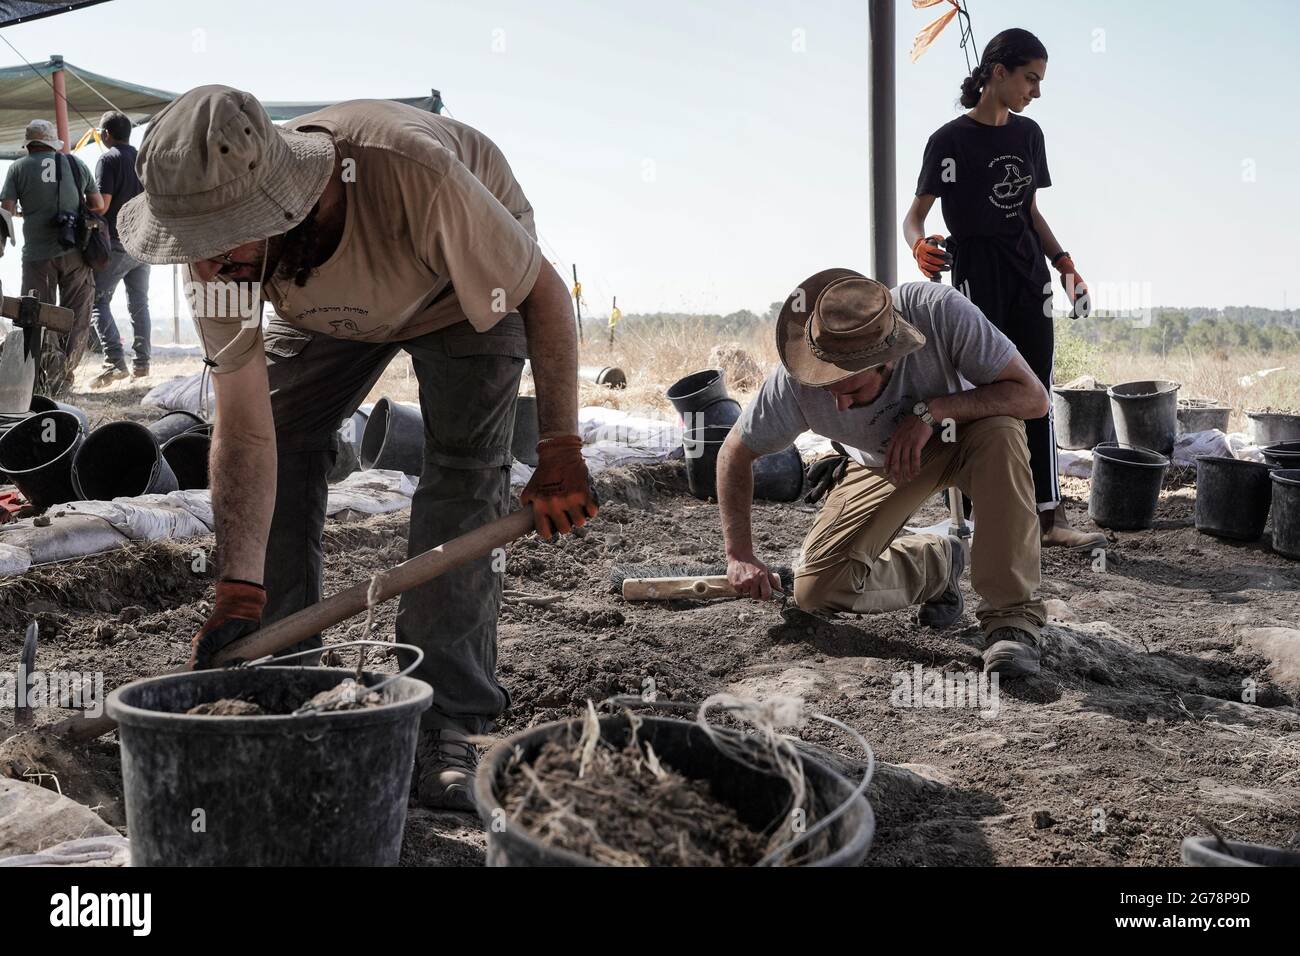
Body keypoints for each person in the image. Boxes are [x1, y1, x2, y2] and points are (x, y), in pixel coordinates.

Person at [118, 86, 598, 810]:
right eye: (197, 249)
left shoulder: (410, 173)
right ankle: (280, 679)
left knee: (464, 470)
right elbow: (245, 428)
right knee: (282, 435)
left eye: (227, 240)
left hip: (460, 290)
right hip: (323, 309)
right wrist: (238, 586)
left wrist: (561, 445)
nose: (209, 269)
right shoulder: (222, 265)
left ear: (284, 205)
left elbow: (545, 298)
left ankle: (446, 717)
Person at [720, 269, 1049, 677]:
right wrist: (739, 555)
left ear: (890, 358)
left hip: (969, 437)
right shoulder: (796, 378)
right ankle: (938, 563)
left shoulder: (938, 310)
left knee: (1002, 432)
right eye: (828, 388)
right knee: (816, 590)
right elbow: (733, 454)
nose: (838, 405)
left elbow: (1033, 398)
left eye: (853, 390)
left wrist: (934, 411)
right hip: (883, 463)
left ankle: (1011, 621)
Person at [903, 28, 1105, 550]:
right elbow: (914, 219)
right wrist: (919, 247)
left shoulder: (1028, 135)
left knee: (1035, 388)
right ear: (999, 73)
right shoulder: (947, 141)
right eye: (1030, 78)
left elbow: (1032, 213)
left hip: (1028, 277)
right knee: (980, 393)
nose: (1035, 91)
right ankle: (980, 512)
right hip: (974, 277)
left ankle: (1050, 517)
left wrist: (1065, 265)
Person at [0, 119, 103, 396]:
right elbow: (98, 205)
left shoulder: (18, 168)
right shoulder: (75, 164)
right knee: (76, 315)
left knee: (38, 315)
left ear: (30, 144)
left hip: (37, 257)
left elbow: (6, 210)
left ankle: (47, 375)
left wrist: (29, 211)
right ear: (52, 142)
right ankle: (66, 376)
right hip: (75, 252)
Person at [90, 110, 152, 386]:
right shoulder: (142, 159)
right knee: (139, 304)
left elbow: (101, 204)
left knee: (97, 301)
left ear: (105, 134)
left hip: (115, 243)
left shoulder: (108, 159)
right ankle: (142, 364)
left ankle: (114, 362)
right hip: (143, 242)